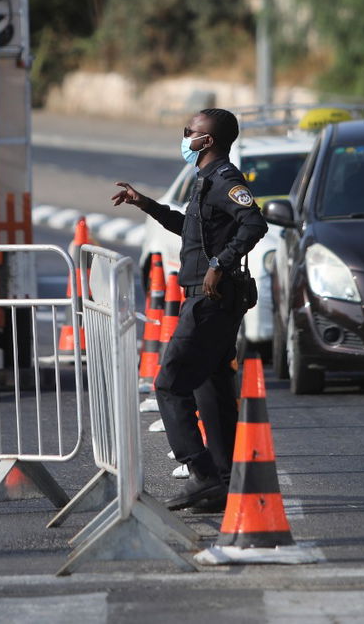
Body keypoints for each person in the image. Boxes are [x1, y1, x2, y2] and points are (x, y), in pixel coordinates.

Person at [112, 108, 267, 511]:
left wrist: (220, 264)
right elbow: (190, 230)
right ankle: (225, 482)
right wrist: (145, 204)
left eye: (189, 132)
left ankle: (201, 473)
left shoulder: (225, 179)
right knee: (211, 389)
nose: (185, 138)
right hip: (206, 297)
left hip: (210, 300)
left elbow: (254, 223)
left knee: (169, 384)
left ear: (207, 140)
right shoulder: (206, 180)